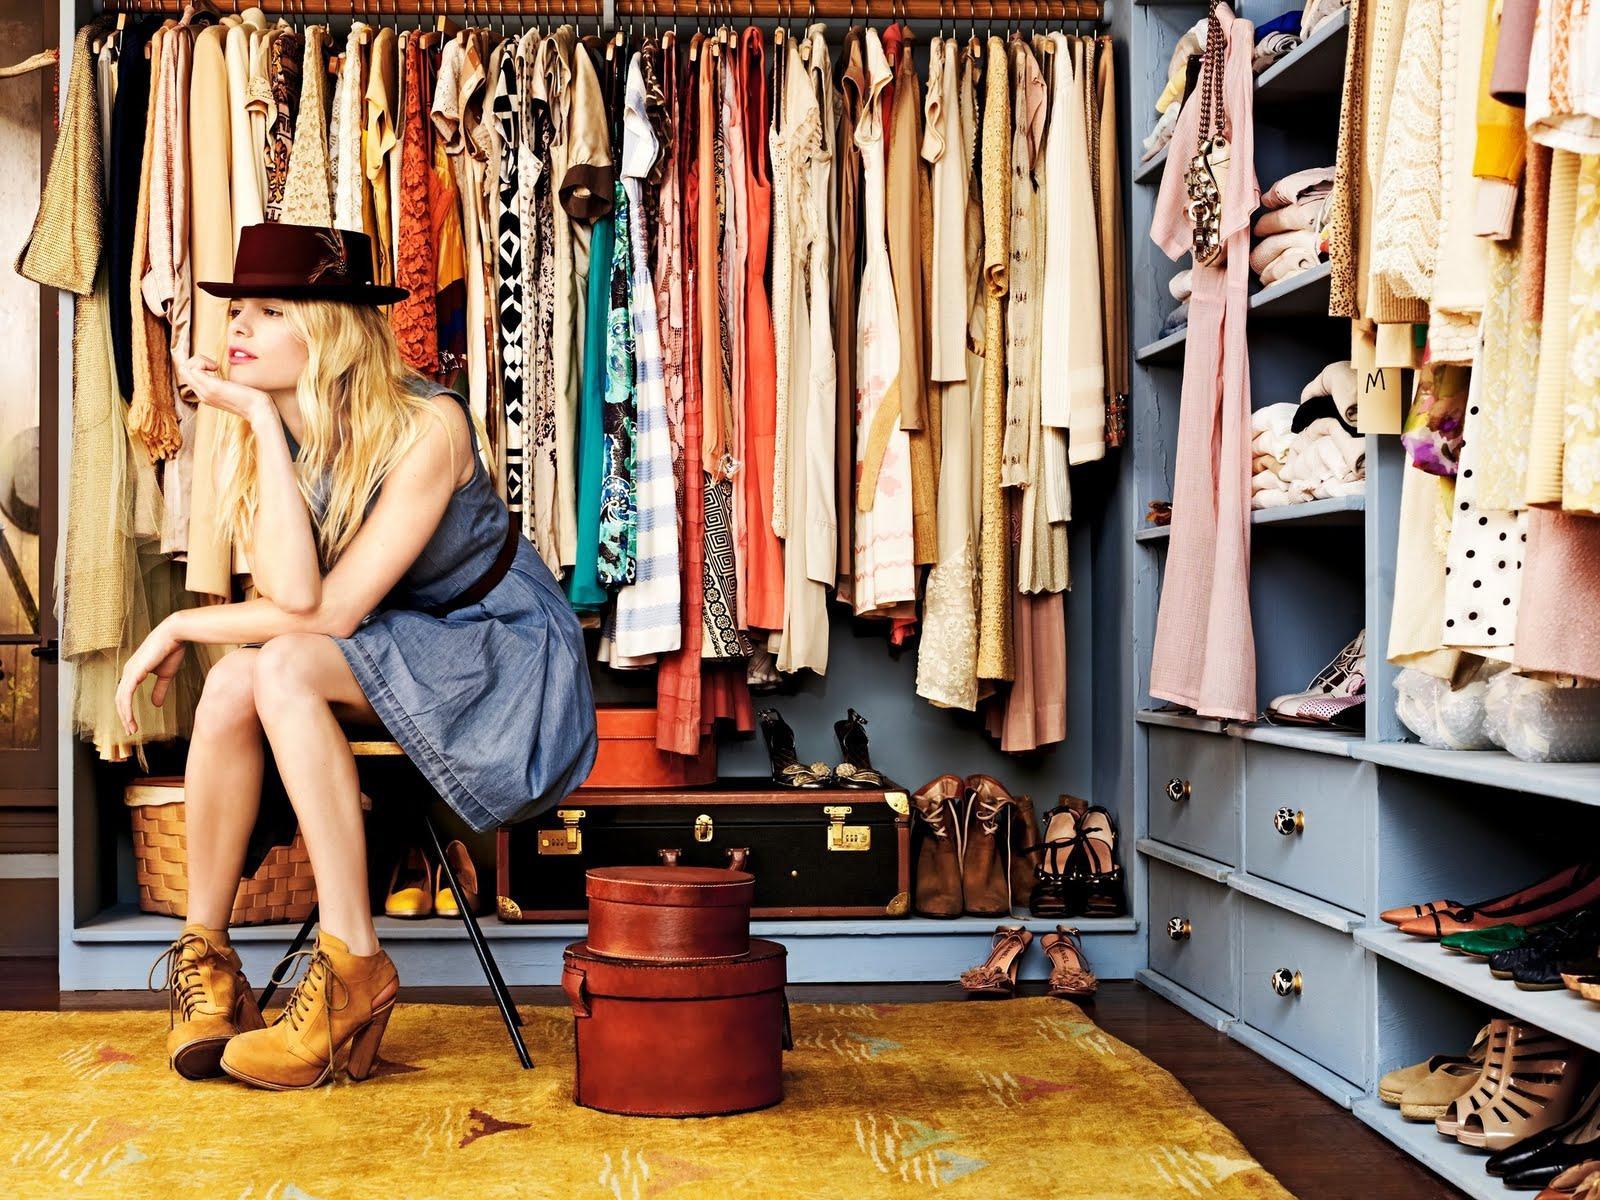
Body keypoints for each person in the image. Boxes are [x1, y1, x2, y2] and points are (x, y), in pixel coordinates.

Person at [119, 223, 597, 1090]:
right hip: (395, 643)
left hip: (503, 655)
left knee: (288, 663)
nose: (239, 328)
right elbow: (301, 597)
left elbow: (323, 612)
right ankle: (210, 959)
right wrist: (263, 420)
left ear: (331, 330)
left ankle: (352, 967)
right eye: (239, 310)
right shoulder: (278, 431)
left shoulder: (430, 425)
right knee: (235, 683)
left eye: (270, 311)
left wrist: (180, 626)